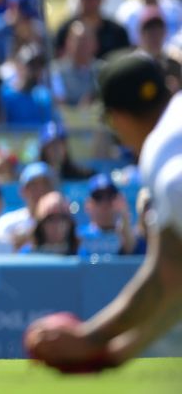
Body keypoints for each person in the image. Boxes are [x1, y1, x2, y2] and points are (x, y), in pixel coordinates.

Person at [26, 53, 182, 372]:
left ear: (118, 117)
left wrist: (90, 339)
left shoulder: (166, 161)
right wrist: (116, 352)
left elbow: (166, 277)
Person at [0, 161, 57, 250]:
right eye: (34, 186)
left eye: (45, 185)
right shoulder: (7, 223)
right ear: (22, 191)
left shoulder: (63, 223)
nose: (40, 191)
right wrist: (15, 244)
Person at [78, 173, 136, 257]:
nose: (104, 203)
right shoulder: (78, 237)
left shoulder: (126, 236)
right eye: (98, 197)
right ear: (88, 204)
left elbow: (131, 249)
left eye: (110, 197)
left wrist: (124, 216)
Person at [20, 191, 79, 255]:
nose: (57, 224)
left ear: (70, 223)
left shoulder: (81, 256)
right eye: (50, 219)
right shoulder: (27, 255)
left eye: (62, 218)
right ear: (41, 225)